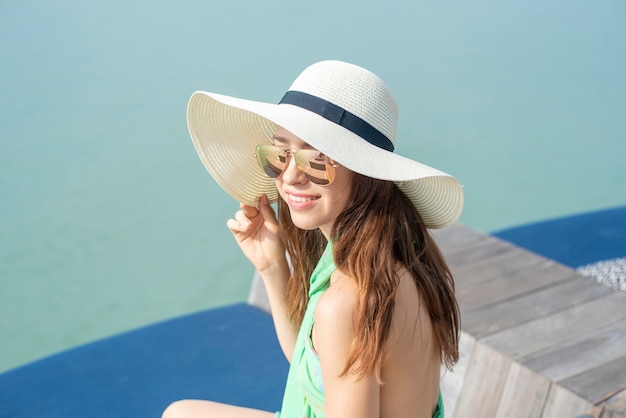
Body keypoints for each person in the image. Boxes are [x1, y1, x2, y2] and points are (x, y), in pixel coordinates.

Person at [163, 60, 464, 418]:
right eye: (279, 155)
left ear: (367, 173)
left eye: (316, 160)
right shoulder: (399, 255)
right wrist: (274, 267)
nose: (290, 176)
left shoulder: (348, 299)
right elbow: (315, 369)